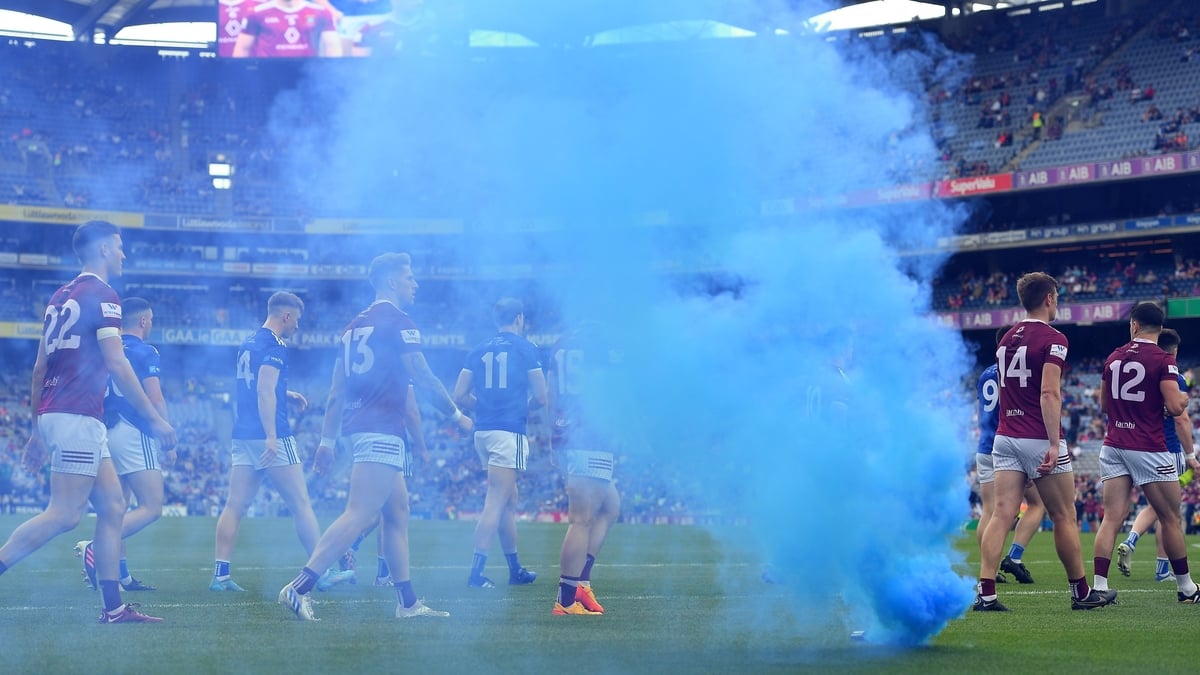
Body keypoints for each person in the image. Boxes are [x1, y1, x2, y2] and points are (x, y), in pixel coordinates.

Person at [0, 220, 176, 624]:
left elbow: (40, 368)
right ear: (103, 249)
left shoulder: (60, 296)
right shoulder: (104, 295)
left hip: (65, 413)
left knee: (114, 505)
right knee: (64, 514)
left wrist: (35, 430)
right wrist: (154, 419)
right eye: (119, 246)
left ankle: (113, 608)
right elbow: (117, 363)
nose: (123, 254)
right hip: (76, 414)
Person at [279, 252, 471, 620]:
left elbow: (336, 392)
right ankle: (299, 587)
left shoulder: (351, 327)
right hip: (381, 429)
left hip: (360, 428)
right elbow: (423, 375)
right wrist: (457, 416)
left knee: (397, 514)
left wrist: (327, 442)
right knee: (359, 513)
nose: (415, 284)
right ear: (392, 281)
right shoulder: (399, 322)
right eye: (409, 277)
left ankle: (408, 603)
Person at [974, 272, 1114, 611]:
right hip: (1036, 435)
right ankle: (1081, 592)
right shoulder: (1055, 338)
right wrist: (1053, 443)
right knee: (1064, 514)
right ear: (1049, 298)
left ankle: (986, 593)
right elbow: (1049, 392)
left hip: (1005, 436)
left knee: (1001, 514)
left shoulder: (1006, 339)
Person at [212, 291, 324, 592]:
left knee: (235, 505)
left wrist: (286, 393)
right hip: (270, 434)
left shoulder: (249, 342)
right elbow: (263, 390)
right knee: (301, 504)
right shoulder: (276, 345)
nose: (297, 326)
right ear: (286, 316)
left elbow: (254, 386)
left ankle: (220, 576)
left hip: (243, 434)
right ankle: (321, 571)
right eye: (296, 319)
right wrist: (272, 436)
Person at [1093, 310, 1199, 602]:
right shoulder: (1164, 360)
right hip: (1148, 447)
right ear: (1159, 328)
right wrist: (1184, 398)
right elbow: (1175, 408)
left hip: (1114, 444)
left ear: (1135, 325)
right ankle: (1186, 588)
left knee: (1111, 518)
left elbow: (1104, 405)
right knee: (1170, 517)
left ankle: (1099, 586)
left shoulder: (1114, 357)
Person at [76, 297, 176, 592]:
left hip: (107, 429)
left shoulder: (106, 348)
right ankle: (95, 547)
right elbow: (155, 397)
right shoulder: (146, 351)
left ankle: (121, 576)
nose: (151, 323)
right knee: (152, 507)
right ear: (143, 321)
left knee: (116, 508)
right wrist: (167, 438)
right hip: (134, 429)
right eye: (151, 319)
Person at [453, 298, 547, 589]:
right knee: (495, 502)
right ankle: (476, 575)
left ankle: (515, 569)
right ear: (519, 318)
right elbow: (542, 397)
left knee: (508, 501)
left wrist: (483, 407)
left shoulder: (478, 349)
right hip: (508, 432)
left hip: (483, 432)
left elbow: (459, 395)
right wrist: (520, 409)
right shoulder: (526, 348)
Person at [547, 322, 621, 616]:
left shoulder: (561, 342)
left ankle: (581, 584)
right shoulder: (602, 339)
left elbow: (551, 394)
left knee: (611, 506)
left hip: (569, 434)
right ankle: (566, 600)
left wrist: (553, 438)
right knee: (581, 520)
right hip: (591, 435)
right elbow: (613, 391)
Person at [1116, 327, 1199, 581]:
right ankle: (1162, 568)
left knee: (1158, 507)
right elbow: (1181, 420)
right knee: (1169, 512)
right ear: (1175, 351)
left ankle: (1132, 541)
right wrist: (1191, 455)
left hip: (1140, 445)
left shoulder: (1146, 372)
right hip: (1168, 449)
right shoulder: (1172, 374)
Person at [975, 327, 1046, 586]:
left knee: (989, 511)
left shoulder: (984, 375)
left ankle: (989, 570)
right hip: (1008, 444)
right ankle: (1014, 557)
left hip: (985, 446)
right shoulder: (1015, 370)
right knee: (1037, 504)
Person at [232, 0, 343, 58]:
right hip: (267, 75)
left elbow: (332, 47)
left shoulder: (321, 12)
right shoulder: (256, 13)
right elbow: (242, 49)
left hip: (306, 76)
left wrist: (331, 77)